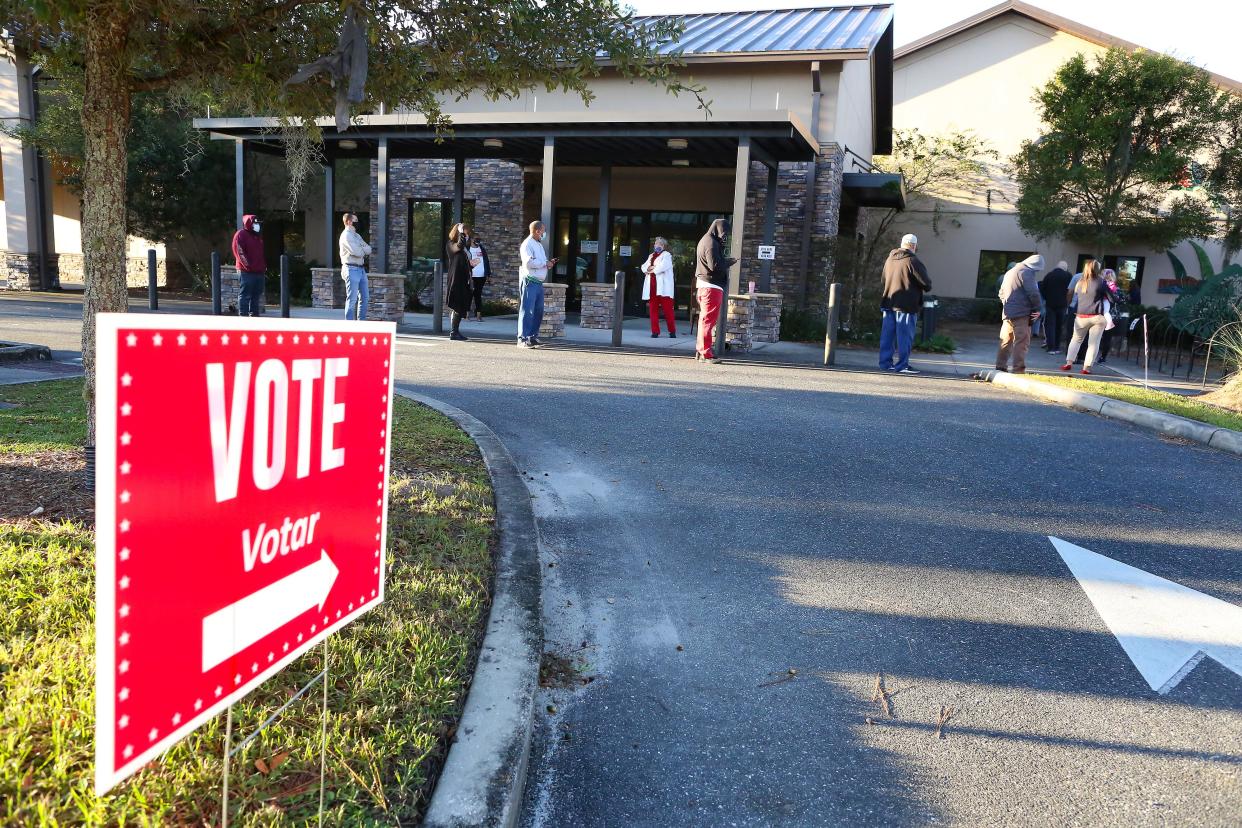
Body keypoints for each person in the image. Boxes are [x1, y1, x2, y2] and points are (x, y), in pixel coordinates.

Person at [878, 233, 932, 374]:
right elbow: (926, 284)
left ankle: (885, 364)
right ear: (914, 246)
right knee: (904, 337)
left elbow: (883, 279)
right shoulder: (912, 261)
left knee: (887, 336)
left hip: (888, 302)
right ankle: (902, 365)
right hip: (906, 305)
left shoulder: (889, 259)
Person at [694, 219, 735, 363]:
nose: (725, 236)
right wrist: (728, 262)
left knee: (704, 320)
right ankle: (706, 354)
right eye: (724, 232)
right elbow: (714, 266)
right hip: (711, 286)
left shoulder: (705, 240)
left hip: (705, 285)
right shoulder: (711, 243)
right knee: (708, 321)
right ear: (717, 229)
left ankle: (700, 351)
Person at [995, 254, 1044, 373]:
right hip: (1022, 313)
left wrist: (1007, 304)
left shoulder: (1010, 272)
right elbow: (1033, 293)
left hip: (1007, 313)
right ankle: (1018, 368)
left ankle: (1000, 366)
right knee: (1021, 342)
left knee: (1005, 340)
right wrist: (1038, 309)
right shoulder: (1026, 272)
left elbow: (1001, 292)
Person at [1061, 259, 1110, 375]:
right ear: (1098, 269)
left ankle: (1068, 362)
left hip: (1081, 315)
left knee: (1076, 339)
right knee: (1093, 343)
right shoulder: (1101, 282)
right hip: (1097, 316)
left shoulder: (1080, 282)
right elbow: (1111, 297)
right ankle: (1086, 367)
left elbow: (1076, 295)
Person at [518, 221, 556, 347]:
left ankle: (532, 337)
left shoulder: (538, 244)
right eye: (543, 231)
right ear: (537, 231)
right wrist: (544, 263)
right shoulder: (527, 244)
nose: (544, 233)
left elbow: (540, 261)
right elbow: (529, 263)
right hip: (530, 281)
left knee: (538, 311)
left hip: (538, 282)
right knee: (527, 310)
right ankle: (523, 339)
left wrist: (548, 263)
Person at [444, 223, 476, 341]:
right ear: (458, 233)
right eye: (465, 233)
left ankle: (456, 331)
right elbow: (459, 245)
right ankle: (454, 332)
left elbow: (463, 261)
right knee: (457, 304)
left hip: (464, 278)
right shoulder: (451, 244)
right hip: (456, 278)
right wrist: (461, 232)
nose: (467, 236)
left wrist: (472, 264)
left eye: (467, 233)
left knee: (462, 304)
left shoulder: (465, 248)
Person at [338, 212, 372, 321]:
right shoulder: (346, 235)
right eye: (356, 220)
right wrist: (362, 249)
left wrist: (361, 249)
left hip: (361, 270)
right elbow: (357, 252)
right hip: (351, 268)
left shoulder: (357, 236)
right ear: (349, 222)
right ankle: (349, 326)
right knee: (352, 299)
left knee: (365, 298)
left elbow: (369, 249)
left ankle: (360, 324)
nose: (358, 222)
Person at [231, 214, 266, 317]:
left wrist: (263, 266)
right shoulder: (241, 234)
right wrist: (247, 266)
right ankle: (243, 315)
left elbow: (260, 254)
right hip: (246, 271)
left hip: (259, 271)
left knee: (256, 295)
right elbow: (239, 252)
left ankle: (254, 314)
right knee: (245, 294)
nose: (256, 225)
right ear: (249, 223)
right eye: (254, 222)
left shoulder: (256, 237)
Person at [642, 236, 677, 338]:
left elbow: (663, 267)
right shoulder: (651, 256)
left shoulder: (667, 255)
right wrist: (648, 268)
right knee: (653, 310)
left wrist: (651, 269)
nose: (656, 245)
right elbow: (643, 267)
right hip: (652, 287)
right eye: (655, 244)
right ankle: (655, 332)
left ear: (663, 246)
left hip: (663, 288)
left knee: (668, 310)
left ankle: (672, 331)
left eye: (659, 244)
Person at [1039, 260, 1072, 353]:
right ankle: (1057, 347)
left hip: (1050, 304)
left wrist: (1047, 297)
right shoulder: (1068, 276)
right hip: (1063, 304)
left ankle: (1051, 347)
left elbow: (1042, 287)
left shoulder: (1049, 275)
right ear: (1065, 268)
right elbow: (1071, 290)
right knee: (1059, 326)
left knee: (1050, 325)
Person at [468, 234, 491, 321]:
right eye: (475, 238)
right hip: (471, 276)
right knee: (469, 295)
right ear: (471, 239)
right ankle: (467, 315)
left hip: (481, 276)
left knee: (478, 295)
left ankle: (478, 315)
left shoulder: (481, 248)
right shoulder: (467, 249)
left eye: (479, 238)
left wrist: (488, 275)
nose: (477, 240)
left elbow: (486, 261)